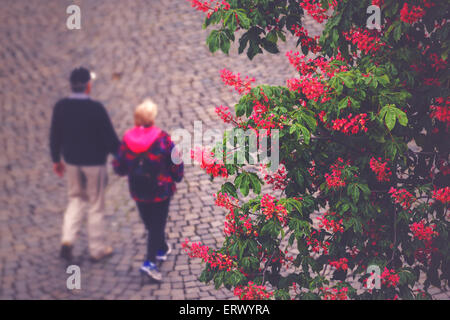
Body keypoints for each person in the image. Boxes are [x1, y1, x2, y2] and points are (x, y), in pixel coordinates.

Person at [50, 67, 120, 262]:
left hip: (72, 162)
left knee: (76, 199)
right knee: (96, 205)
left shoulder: (61, 107)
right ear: (88, 86)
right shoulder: (96, 109)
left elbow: (54, 136)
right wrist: (123, 157)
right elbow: (110, 140)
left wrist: (56, 160)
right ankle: (97, 249)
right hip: (94, 164)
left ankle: (67, 240)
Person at [113, 99, 184, 281]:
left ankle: (161, 248)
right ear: (152, 118)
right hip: (161, 190)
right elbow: (175, 160)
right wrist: (177, 176)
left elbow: (119, 166)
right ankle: (149, 262)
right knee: (156, 224)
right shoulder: (162, 139)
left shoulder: (127, 140)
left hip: (138, 190)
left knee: (150, 222)